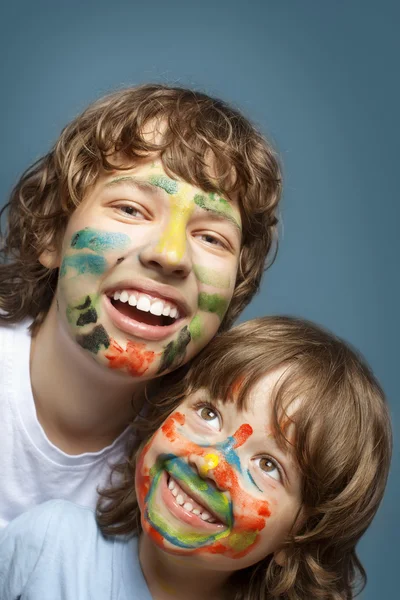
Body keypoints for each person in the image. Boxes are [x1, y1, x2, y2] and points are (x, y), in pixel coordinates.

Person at [0, 84, 282, 528]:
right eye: (131, 209)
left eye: (211, 237)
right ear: (51, 235)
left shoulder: (190, 480)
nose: (170, 256)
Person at [0, 316, 392, 600]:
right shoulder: (51, 545)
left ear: (303, 534)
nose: (211, 465)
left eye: (269, 465)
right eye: (209, 414)